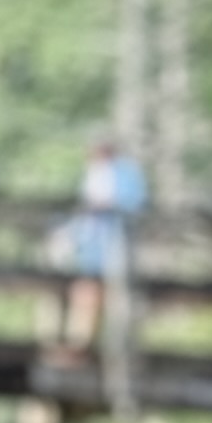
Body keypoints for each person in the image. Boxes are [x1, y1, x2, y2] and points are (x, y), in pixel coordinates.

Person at [57, 131, 147, 354]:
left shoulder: (126, 172)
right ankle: (81, 345)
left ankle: (113, 347)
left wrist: (106, 207)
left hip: (116, 243)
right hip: (91, 244)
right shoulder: (94, 171)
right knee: (86, 292)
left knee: (115, 297)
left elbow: (133, 205)